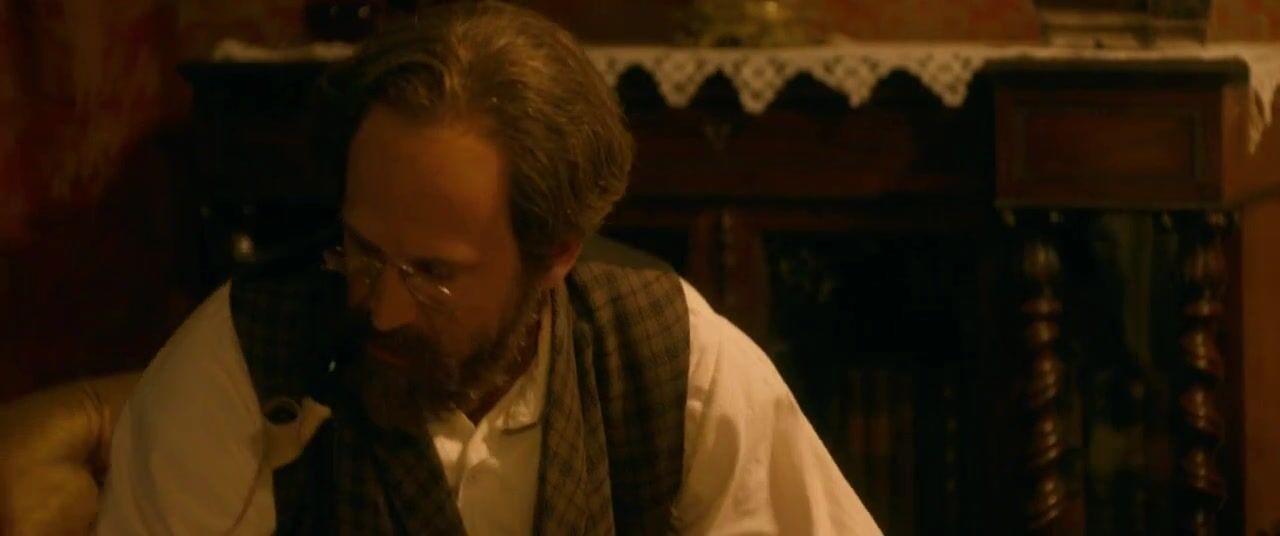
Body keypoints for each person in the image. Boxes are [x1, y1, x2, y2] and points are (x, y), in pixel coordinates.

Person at [95, 2, 881, 534]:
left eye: (433, 271)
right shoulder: (238, 364)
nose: (382, 309)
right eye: (364, 252)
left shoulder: (676, 361)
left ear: (556, 254)